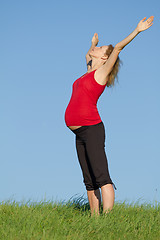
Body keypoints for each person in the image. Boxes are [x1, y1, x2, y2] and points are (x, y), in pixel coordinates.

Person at [64, 16, 154, 216]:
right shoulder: (88, 72)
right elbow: (87, 56)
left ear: (105, 58)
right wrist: (93, 44)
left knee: (101, 175)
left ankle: (108, 217)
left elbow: (119, 48)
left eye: (99, 49)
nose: (94, 51)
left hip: (92, 129)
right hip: (79, 133)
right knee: (88, 178)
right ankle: (95, 218)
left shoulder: (102, 73)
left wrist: (137, 30)